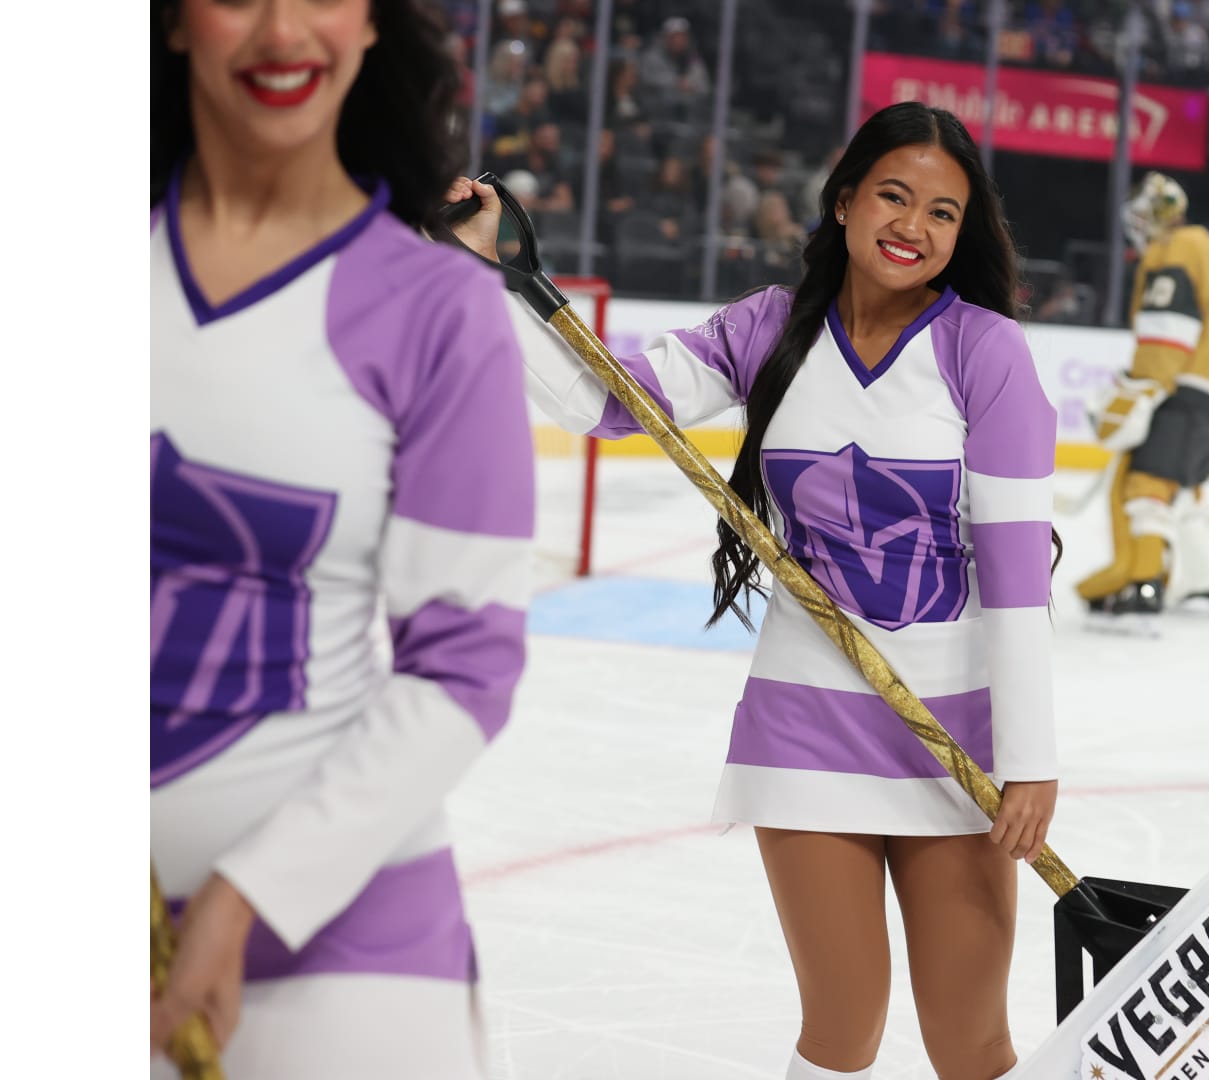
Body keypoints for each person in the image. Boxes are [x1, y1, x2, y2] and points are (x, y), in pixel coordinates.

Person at [448, 101, 1057, 1080]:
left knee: (970, 1042)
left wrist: (1030, 760)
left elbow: (1020, 581)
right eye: (893, 196)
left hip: (957, 734)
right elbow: (600, 399)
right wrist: (486, 273)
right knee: (843, 1028)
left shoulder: (986, 352)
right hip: (806, 721)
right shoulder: (771, 327)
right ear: (845, 200)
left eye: (942, 212)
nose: (913, 226)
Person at [149, 1, 534, 1078]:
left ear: (370, 23)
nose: (284, 32)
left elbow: (464, 667)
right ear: (174, 22)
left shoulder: (438, 308)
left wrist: (243, 897)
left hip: (353, 949)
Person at [1076, 173, 1209, 618]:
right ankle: (1207, 575)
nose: (1138, 224)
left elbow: (1168, 330)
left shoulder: (1172, 249)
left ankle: (1144, 583)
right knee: (1182, 487)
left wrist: (1144, 386)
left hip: (1185, 383)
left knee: (1147, 482)